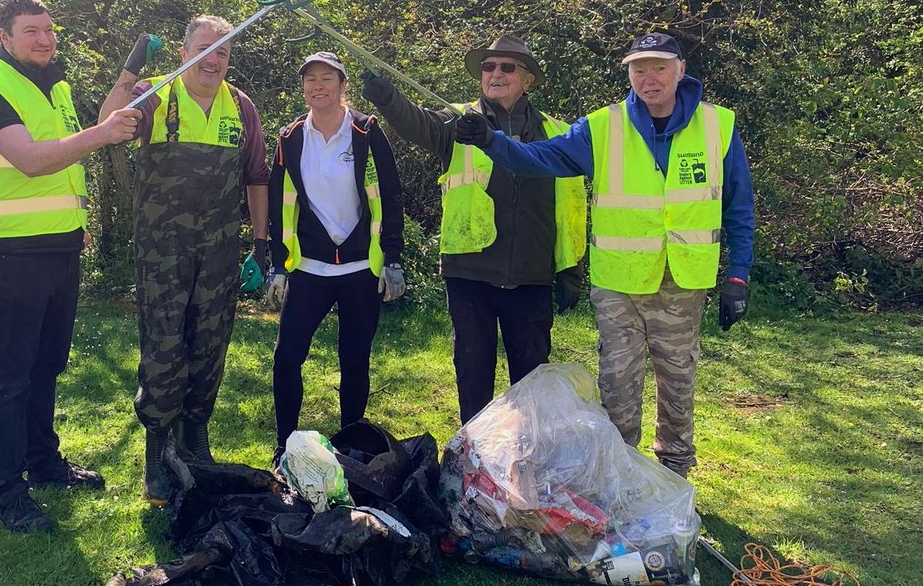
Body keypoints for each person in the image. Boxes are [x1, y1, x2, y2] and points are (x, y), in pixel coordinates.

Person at [454, 32, 755, 478]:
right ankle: (620, 479)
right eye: (638, 69)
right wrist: (493, 142)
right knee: (617, 388)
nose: (648, 78)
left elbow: (739, 205)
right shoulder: (602, 127)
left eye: (658, 67)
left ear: (680, 70)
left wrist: (738, 276)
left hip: (683, 281)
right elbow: (539, 159)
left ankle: (673, 477)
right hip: (619, 285)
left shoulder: (718, 126)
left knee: (678, 383)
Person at [0, 0, 147, 532]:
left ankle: (42, 462)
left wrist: (74, 225)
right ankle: (8, 489)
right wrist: (103, 133)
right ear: (5, 37)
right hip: (13, 253)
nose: (44, 39)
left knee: (47, 364)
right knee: (10, 375)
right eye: (31, 31)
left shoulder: (55, 86)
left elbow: (69, 154)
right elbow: (33, 160)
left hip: (60, 248)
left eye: (48, 29)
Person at [361, 35, 587, 423]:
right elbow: (418, 123)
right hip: (470, 273)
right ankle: (475, 465)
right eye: (488, 67)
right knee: (473, 374)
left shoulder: (556, 132)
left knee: (532, 383)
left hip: (532, 277)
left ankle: (527, 465)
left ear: (528, 78)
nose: (495, 73)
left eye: (507, 67)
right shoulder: (458, 120)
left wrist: (570, 270)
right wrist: (387, 98)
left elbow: (570, 208)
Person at [98, 15, 270, 506]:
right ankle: (157, 450)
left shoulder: (242, 107)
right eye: (204, 48)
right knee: (164, 346)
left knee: (210, 345)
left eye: (223, 52)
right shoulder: (157, 94)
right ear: (183, 51)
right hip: (162, 253)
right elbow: (107, 127)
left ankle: (195, 438)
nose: (213, 59)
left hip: (218, 252)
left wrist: (260, 245)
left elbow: (257, 175)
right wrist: (133, 66)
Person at [266, 52, 405, 462]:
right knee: (287, 355)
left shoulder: (365, 131)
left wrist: (393, 259)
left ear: (343, 86)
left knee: (354, 356)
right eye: (310, 79)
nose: (318, 86)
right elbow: (279, 202)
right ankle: (285, 444)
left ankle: (349, 444)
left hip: (362, 266)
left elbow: (391, 197)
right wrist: (277, 263)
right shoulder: (291, 138)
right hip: (309, 267)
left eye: (327, 78)